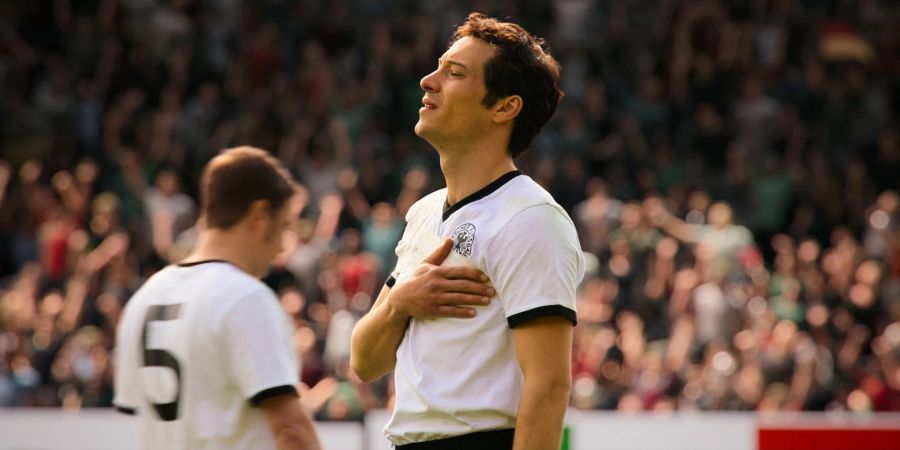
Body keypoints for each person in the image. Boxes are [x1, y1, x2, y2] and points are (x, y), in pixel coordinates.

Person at [350, 13, 584, 450]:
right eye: (438, 67)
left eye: (453, 73)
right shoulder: (423, 213)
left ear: (504, 107)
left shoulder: (531, 217)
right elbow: (365, 362)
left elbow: (549, 387)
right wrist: (399, 302)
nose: (428, 80)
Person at [114, 147, 322, 450]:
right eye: (284, 226)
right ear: (259, 215)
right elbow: (291, 431)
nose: (283, 246)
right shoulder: (245, 298)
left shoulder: (144, 299)